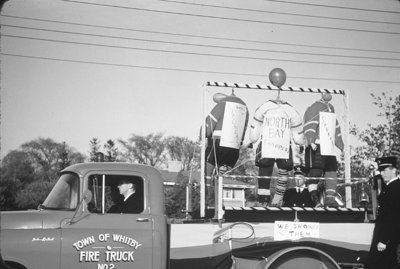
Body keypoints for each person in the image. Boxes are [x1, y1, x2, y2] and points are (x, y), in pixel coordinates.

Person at [249, 98, 304, 207]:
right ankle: (274, 199)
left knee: (266, 172)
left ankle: (267, 200)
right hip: (279, 145)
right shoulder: (290, 110)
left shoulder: (265, 107)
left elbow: (256, 125)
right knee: (278, 172)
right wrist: (299, 141)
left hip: (270, 144)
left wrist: (253, 138)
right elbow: (297, 131)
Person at [204, 91, 249, 218]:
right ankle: (219, 208)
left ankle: (207, 204)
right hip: (233, 147)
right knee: (221, 177)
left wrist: (203, 134)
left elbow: (209, 124)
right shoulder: (245, 109)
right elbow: (243, 129)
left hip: (217, 143)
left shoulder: (222, 105)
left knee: (207, 173)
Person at [303, 93, 344, 207]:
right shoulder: (315, 106)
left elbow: (336, 127)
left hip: (329, 146)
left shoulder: (331, 109)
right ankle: (315, 200)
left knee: (331, 172)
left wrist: (340, 145)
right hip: (317, 144)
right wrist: (311, 140)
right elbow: (310, 122)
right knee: (315, 172)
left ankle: (330, 199)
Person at [364, 156, 400, 269]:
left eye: (385, 170)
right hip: (384, 237)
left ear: (394, 170)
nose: (382, 173)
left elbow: (394, 217)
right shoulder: (389, 187)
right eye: (381, 171)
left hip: (387, 239)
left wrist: (384, 240)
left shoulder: (395, 188)